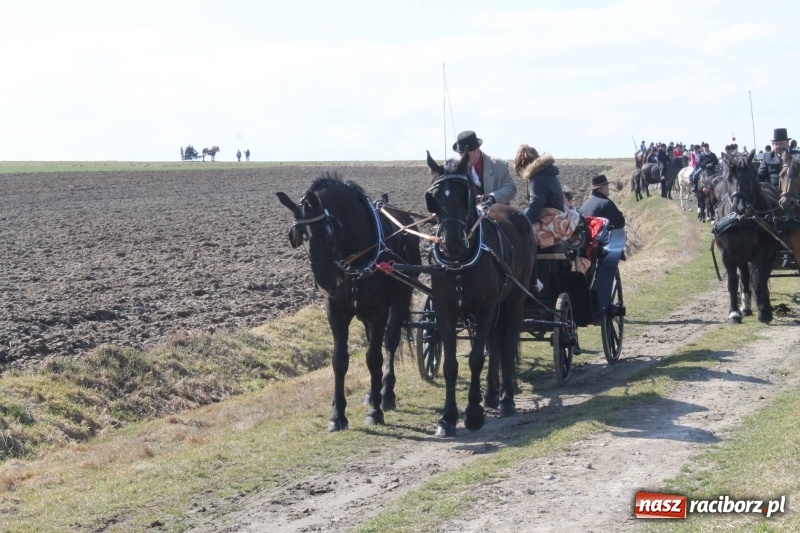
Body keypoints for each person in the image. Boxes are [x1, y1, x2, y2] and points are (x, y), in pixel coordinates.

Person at [512, 144, 579, 248]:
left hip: (550, 221)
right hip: (558, 216)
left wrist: (522, 225)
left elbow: (536, 205)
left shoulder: (537, 178)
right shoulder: (547, 173)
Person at [452, 130, 517, 205]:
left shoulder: (499, 165)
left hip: (496, 213)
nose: (462, 159)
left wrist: (491, 198)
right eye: (461, 155)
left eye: (466, 155)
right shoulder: (454, 170)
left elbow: (511, 188)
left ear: (477, 151)